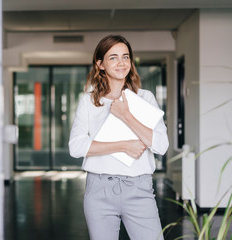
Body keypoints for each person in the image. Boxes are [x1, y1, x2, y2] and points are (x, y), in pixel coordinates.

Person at [69, 35, 169, 240]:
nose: (121, 62)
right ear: (100, 64)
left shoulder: (145, 97)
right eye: (113, 57)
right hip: (99, 190)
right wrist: (124, 145)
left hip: (139, 189)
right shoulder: (89, 101)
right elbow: (76, 147)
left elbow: (161, 145)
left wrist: (126, 115)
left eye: (126, 57)